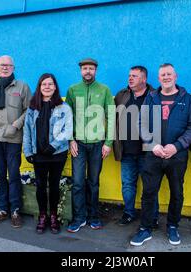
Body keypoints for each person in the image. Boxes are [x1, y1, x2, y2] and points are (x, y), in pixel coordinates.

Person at [130, 63, 191, 246]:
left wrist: (177, 146)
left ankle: (172, 226)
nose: (166, 77)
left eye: (169, 74)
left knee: (177, 192)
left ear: (175, 76)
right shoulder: (151, 97)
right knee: (148, 193)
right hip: (153, 155)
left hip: (176, 156)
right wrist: (152, 144)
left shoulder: (188, 99)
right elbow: (141, 123)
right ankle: (145, 229)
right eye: (163, 75)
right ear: (159, 78)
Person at [0, 55, 32, 228]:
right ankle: (3, 209)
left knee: (14, 174)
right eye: (2, 65)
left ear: (13, 68)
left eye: (8, 65)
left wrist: (16, 125)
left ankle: (15, 209)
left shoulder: (22, 87)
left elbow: (29, 110)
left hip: (13, 138)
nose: (5, 67)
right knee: (0, 174)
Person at [65, 58, 115, 232]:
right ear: (80, 71)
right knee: (78, 182)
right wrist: (70, 139)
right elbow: (67, 117)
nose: (88, 71)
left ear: (96, 70)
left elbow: (111, 116)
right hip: (78, 144)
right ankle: (79, 218)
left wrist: (108, 142)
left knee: (93, 182)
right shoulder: (73, 90)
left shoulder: (104, 90)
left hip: (97, 144)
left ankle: (94, 216)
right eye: (85, 68)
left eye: (91, 68)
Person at [23, 73, 73, 234]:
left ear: (55, 87)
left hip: (57, 153)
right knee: (40, 186)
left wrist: (53, 145)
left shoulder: (64, 107)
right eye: (44, 84)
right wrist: (28, 151)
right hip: (38, 154)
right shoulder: (32, 108)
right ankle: (43, 215)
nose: (47, 87)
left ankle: (53, 216)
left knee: (54, 186)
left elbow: (68, 130)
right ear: (39, 87)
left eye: (50, 84)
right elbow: (27, 131)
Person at [113, 66, 159, 227]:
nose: (130, 78)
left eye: (134, 76)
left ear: (144, 79)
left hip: (148, 151)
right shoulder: (122, 95)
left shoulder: (155, 95)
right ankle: (128, 213)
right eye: (129, 76)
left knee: (150, 185)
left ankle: (152, 217)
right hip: (126, 151)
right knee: (127, 184)